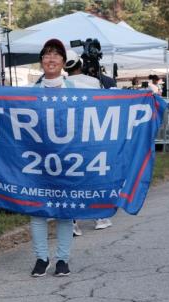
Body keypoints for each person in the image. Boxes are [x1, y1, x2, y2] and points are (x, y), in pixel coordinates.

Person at [30, 39, 77, 278]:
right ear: (41, 61)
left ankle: (62, 259)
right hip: (37, 160)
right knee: (38, 211)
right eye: (46, 55)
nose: (51, 59)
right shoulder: (28, 93)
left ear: (62, 61)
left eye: (56, 55)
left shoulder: (76, 91)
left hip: (67, 159)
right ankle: (41, 258)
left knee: (64, 211)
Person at [63, 50, 113, 234]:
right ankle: (99, 216)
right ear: (80, 64)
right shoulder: (93, 82)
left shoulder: (61, 84)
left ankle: (73, 221)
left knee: (71, 177)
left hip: (67, 136)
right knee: (92, 175)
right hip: (91, 135)